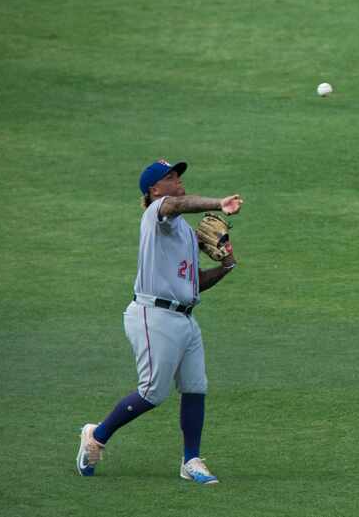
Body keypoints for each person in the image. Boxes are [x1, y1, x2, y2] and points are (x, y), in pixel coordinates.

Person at [76, 159, 244, 485]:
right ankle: (96, 435)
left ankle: (191, 460)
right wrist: (218, 203)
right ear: (154, 191)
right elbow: (179, 203)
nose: (177, 179)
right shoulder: (157, 215)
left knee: (196, 387)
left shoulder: (183, 232)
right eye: (170, 177)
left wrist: (227, 266)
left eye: (178, 174)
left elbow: (194, 284)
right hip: (154, 317)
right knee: (152, 392)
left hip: (184, 317)